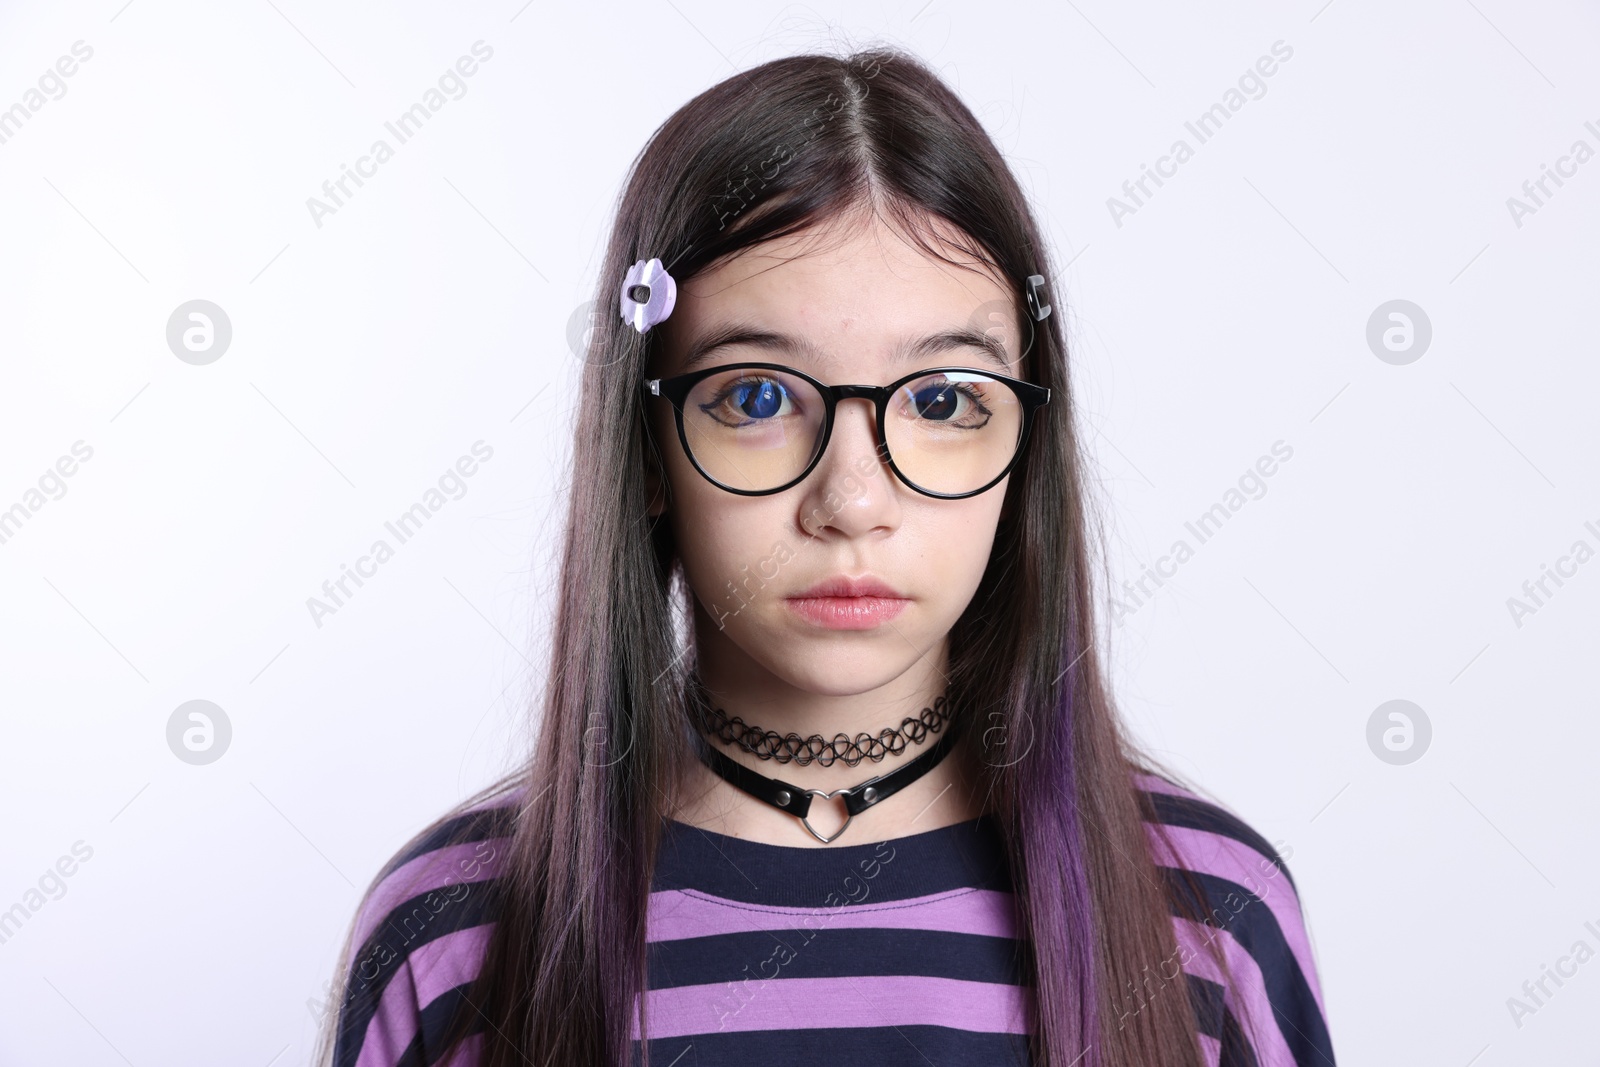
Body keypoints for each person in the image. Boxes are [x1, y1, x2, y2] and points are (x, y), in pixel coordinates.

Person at [313, 45, 1335, 1067]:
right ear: (648, 449)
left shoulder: (1209, 918)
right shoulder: (451, 936)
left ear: (1024, 449)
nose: (851, 501)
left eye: (942, 402)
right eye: (756, 397)